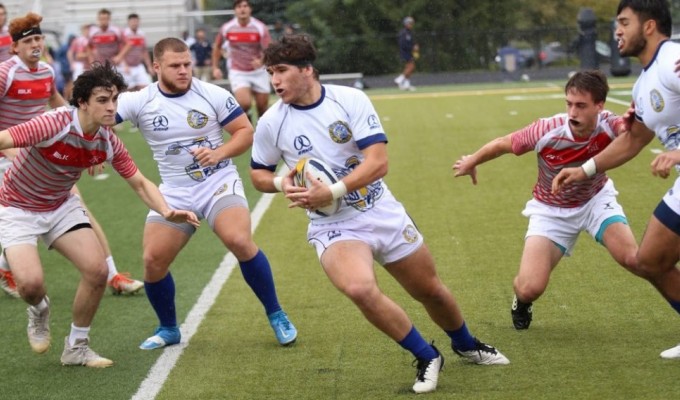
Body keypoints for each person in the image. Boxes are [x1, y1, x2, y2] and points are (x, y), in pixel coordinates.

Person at [250, 34, 509, 395]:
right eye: (270, 73)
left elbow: (379, 162)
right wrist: (281, 183)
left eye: (281, 71)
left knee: (429, 290)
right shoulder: (271, 122)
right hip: (333, 225)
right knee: (358, 288)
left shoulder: (349, 99)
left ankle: (465, 342)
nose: (274, 81)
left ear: (307, 70)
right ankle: (426, 355)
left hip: (380, 210)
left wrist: (333, 190)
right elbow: (257, 174)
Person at [0, 60, 199, 367]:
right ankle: (39, 310)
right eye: (103, 101)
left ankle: (76, 348)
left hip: (60, 205)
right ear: (82, 102)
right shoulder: (54, 123)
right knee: (29, 285)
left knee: (97, 270)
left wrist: (166, 210)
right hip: (16, 206)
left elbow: (139, 182)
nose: (112, 108)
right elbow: (5, 139)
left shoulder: (107, 142)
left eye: (115, 99)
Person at [115, 37, 297, 350]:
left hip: (218, 183)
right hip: (174, 190)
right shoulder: (138, 100)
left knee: (238, 240)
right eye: (175, 66)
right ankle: (169, 328)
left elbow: (244, 132)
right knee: (152, 261)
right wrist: (93, 149)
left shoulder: (212, 93)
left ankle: (276, 313)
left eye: (187, 64)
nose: (184, 70)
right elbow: (96, 122)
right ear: (156, 67)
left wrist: (219, 153)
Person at [453, 70, 640, 330]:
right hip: (551, 211)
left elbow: (628, 132)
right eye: (569, 104)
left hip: (595, 200)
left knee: (632, 257)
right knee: (530, 287)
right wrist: (473, 160)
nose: (573, 112)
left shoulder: (609, 124)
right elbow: (503, 143)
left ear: (599, 106)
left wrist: (633, 123)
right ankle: (521, 300)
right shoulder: (547, 129)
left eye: (581, 106)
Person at [552, 0, 680, 360]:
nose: (617, 31)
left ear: (650, 26)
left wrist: (677, 153)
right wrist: (585, 169)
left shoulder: (672, 60)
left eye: (624, 22)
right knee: (651, 260)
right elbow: (633, 140)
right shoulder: (643, 85)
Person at [0, 12, 143, 297]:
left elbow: (58, 103)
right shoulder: (6, 72)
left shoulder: (47, 71)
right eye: (29, 41)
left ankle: (111, 274)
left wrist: (83, 136)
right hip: (7, 150)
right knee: (23, 213)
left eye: (39, 38)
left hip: (36, 150)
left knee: (77, 208)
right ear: (15, 47)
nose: (36, 44)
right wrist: (11, 147)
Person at [211, 0, 271, 120]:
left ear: (250, 9)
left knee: (262, 107)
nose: (242, 9)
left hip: (258, 72)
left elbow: (269, 49)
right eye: (239, 7)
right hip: (238, 71)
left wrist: (261, 60)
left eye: (245, 6)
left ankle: (262, 133)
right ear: (235, 10)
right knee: (244, 103)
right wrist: (215, 67)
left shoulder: (260, 27)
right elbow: (217, 47)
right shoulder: (227, 28)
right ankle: (247, 127)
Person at [113, 13, 153, 91]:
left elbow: (144, 51)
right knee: (128, 90)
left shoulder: (141, 34)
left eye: (136, 21)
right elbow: (119, 51)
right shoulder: (124, 34)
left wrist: (149, 66)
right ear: (128, 22)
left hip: (138, 66)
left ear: (139, 22)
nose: (134, 23)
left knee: (146, 88)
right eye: (132, 21)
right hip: (127, 66)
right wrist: (124, 65)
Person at [394, 16, 419, 91]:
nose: (411, 25)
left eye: (412, 23)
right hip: (405, 53)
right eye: (409, 23)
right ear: (405, 24)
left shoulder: (410, 32)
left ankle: (406, 85)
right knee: (411, 67)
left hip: (409, 52)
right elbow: (403, 44)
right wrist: (413, 47)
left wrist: (415, 47)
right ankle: (399, 79)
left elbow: (412, 42)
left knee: (409, 68)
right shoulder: (404, 33)